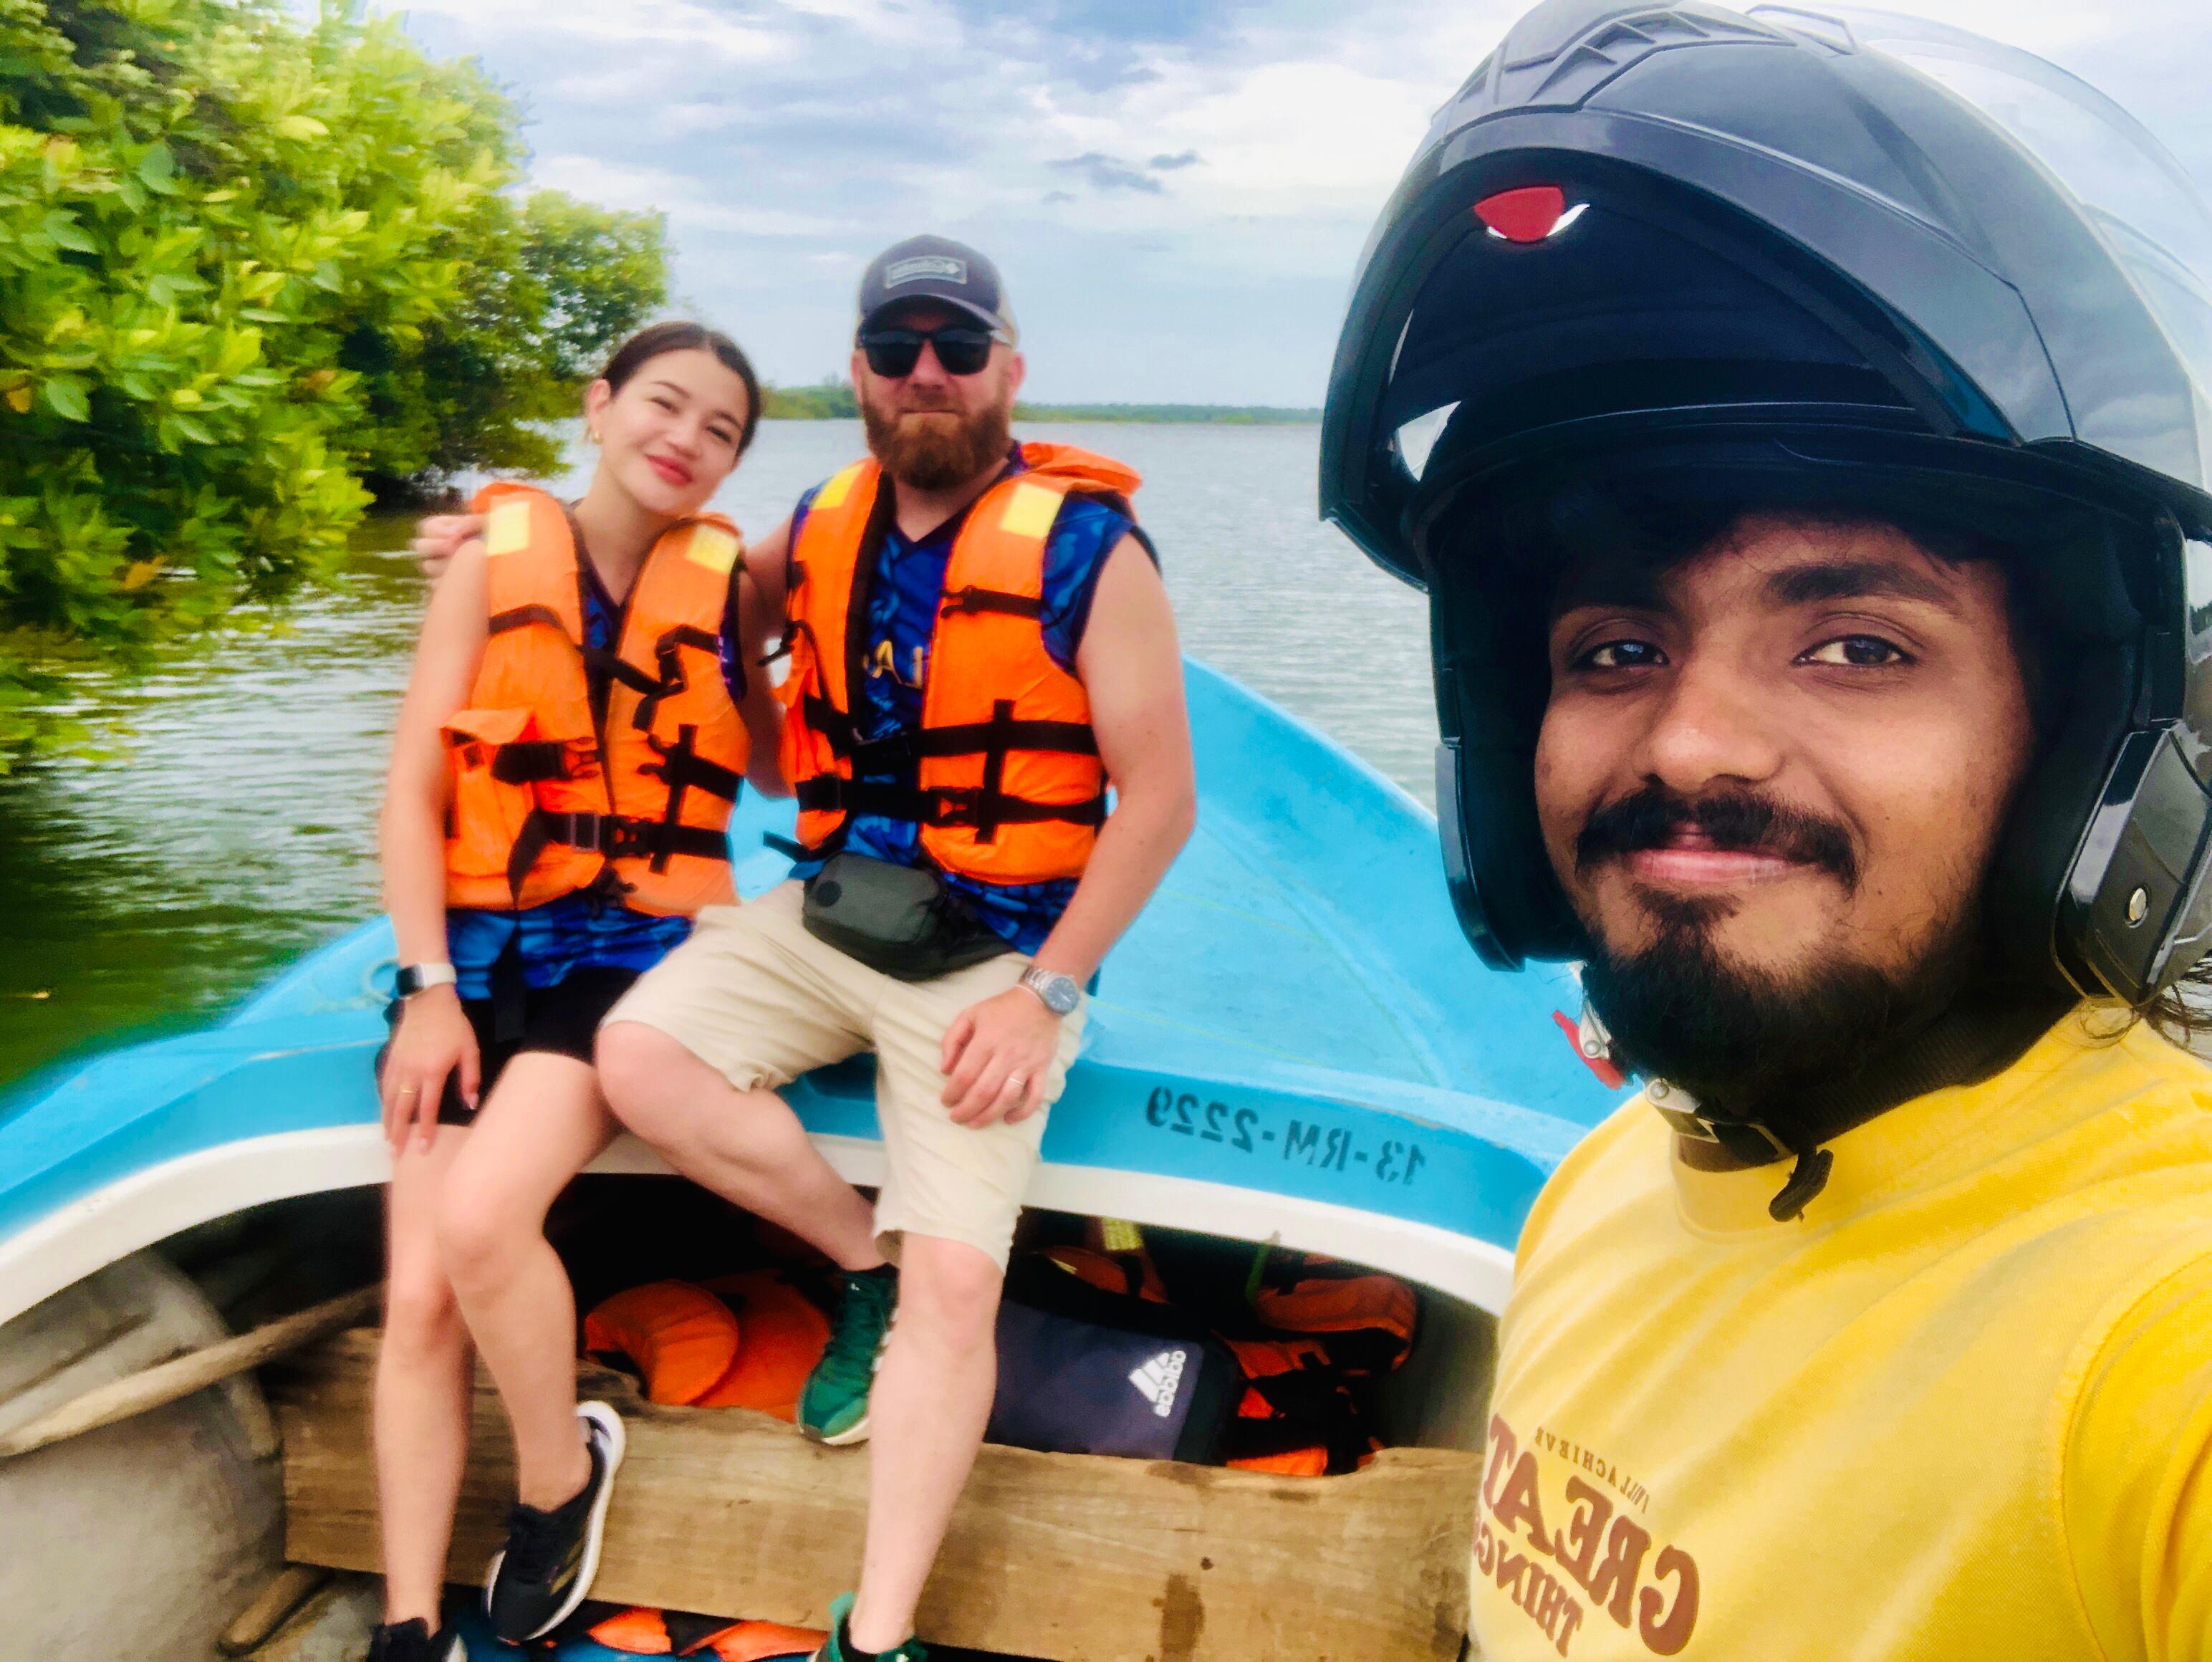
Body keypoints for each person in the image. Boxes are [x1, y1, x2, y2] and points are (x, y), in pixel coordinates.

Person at [1322, 6, 2212, 1658]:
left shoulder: (2160, 1331)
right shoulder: (1602, 1184)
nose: (1688, 741)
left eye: (1855, 645)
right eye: (1614, 650)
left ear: (2070, 740)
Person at [584, 236, 1196, 1662]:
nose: (927, 373)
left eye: (957, 347)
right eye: (896, 348)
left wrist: (1046, 997)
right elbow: (668, 593)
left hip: (999, 953)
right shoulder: (822, 519)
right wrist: (497, 555)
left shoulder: (1091, 552)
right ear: (858, 375)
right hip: (839, 906)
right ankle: (860, 1262)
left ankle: (879, 1634)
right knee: (639, 1055)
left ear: (1007, 371)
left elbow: (1161, 801)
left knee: (959, 1284)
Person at [371, 320, 784, 1662]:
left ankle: (558, 1477)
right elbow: (412, 795)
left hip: (625, 959)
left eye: (721, 431)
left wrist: (778, 654)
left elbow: (782, 769)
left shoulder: (727, 588)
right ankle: (407, 1624)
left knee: (482, 1222)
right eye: (664, 404)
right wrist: (428, 989)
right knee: (420, 1299)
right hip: (477, 960)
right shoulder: (488, 563)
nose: (685, 440)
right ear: (599, 408)